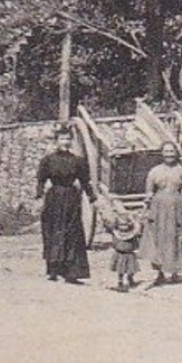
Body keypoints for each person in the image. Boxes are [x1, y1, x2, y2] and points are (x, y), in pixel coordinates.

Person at [35, 124, 94, 284]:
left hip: (71, 198)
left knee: (72, 232)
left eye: (68, 139)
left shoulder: (78, 161)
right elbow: (41, 180)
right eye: (62, 138)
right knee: (53, 231)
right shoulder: (48, 160)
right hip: (54, 198)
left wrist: (92, 196)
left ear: (71, 141)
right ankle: (53, 270)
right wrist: (39, 195)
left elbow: (85, 181)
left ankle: (71, 273)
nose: (65, 142)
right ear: (56, 141)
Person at [141, 140, 182, 285]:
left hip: (177, 205)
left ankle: (175, 272)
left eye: (172, 152)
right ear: (162, 154)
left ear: (176, 153)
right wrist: (146, 210)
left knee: (177, 238)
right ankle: (159, 273)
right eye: (166, 152)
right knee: (159, 239)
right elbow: (149, 192)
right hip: (158, 207)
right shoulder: (154, 171)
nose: (169, 155)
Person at [107, 209, 142, 292]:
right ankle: (122, 281)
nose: (123, 227)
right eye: (121, 225)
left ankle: (128, 279)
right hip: (123, 253)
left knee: (128, 269)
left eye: (125, 225)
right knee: (122, 269)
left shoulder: (125, 234)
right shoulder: (120, 233)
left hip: (125, 254)